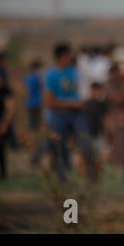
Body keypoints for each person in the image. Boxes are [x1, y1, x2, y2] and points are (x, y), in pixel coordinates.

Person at [44, 43, 95, 182]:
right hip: (59, 114)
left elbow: (80, 89)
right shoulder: (51, 74)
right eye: (67, 55)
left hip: (76, 113)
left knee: (85, 142)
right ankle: (62, 177)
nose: (70, 58)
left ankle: (90, 176)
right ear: (61, 56)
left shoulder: (73, 71)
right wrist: (71, 103)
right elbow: (49, 101)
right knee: (58, 147)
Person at [104, 64, 124, 165]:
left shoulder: (122, 83)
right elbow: (118, 99)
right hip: (111, 117)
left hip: (122, 116)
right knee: (113, 143)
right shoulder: (107, 84)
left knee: (123, 142)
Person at [84, 82, 107, 169]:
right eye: (95, 90)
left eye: (98, 90)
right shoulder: (86, 104)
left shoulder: (102, 105)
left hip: (98, 134)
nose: (97, 92)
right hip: (87, 133)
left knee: (99, 158)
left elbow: (106, 119)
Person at [0, 72, 15, 178]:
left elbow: (10, 108)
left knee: (1, 148)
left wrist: (4, 124)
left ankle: (3, 172)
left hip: (1, 123)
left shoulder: (5, 91)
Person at [24, 60, 43, 131]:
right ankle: (33, 140)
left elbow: (26, 91)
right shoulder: (37, 77)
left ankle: (29, 139)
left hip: (28, 103)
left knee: (30, 125)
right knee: (35, 126)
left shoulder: (27, 77)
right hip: (36, 103)